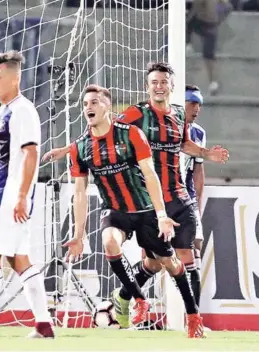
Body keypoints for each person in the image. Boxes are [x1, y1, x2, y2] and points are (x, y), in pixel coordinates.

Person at [41, 63, 229, 333]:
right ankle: (129, 299)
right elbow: (102, 127)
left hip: (178, 195)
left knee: (188, 256)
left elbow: (183, 143)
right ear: (147, 87)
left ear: (172, 86)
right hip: (149, 200)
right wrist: (69, 149)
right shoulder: (135, 115)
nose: (159, 86)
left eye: (164, 81)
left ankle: (193, 319)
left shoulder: (178, 114)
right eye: (154, 82)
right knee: (155, 262)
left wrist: (206, 153)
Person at [64, 84, 205, 338]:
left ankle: (193, 316)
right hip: (115, 211)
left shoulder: (131, 135)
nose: (88, 108)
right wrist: (78, 233)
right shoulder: (80, 147)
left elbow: (150, 176)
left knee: (170, 264)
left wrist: (161, 215)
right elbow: (80, 193)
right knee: (109, 242)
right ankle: (140, 300)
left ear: (107, 106)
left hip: (145, 209)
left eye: (94, 102)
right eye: (85, 104)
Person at [0, 51, 53, 339]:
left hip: (10, 196)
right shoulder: (4, 109)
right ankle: (43, 324)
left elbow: (31, 154)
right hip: (4, 194)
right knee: (19, 259)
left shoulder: (22, 110)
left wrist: (21, 196)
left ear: (15, 79)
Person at [181, 85, 206, 308]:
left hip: (186, 199)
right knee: (154, 258)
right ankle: (131, 301)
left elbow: (198, 171)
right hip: (160, 199)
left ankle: (194, 314)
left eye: (199, 104)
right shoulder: (161, 129)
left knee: (196, 245)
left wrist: (197, 205)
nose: (196, 108)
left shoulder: (199, 133)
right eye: (192, 103)